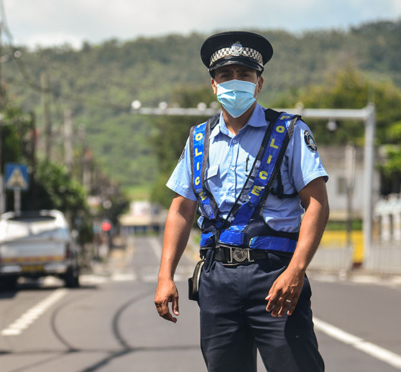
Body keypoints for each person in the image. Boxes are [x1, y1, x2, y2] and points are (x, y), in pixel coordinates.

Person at [154, 31, 329, 372]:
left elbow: (317, 205)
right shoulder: (199, 139)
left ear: (259, 82)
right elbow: (181, 209)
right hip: (217, 280)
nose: (235, 82)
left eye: (244, 75)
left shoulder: (290, 131)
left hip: (274, 274)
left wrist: (296, 271)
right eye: (225, 75)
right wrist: (165, 277)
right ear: (213, 84)